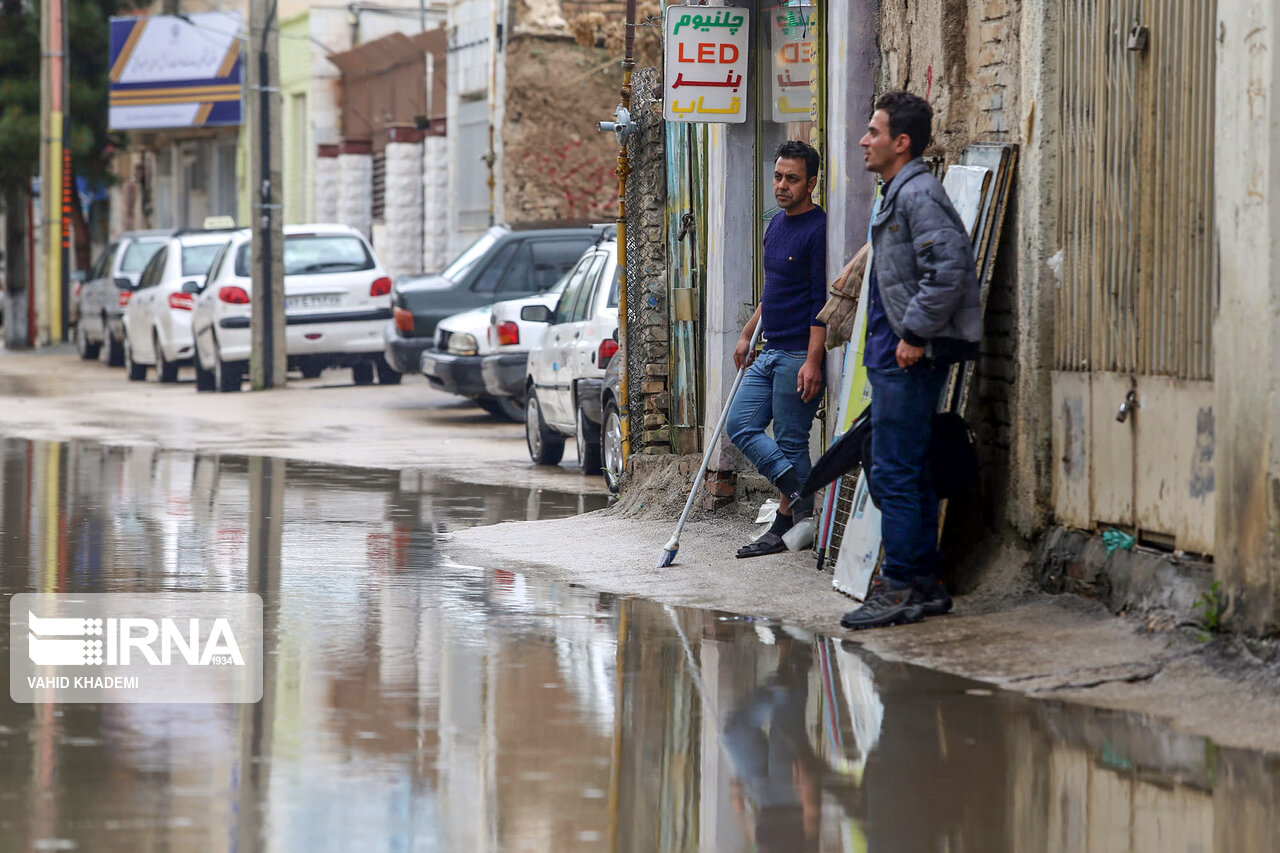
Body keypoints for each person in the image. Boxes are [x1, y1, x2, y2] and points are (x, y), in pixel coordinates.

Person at [840, 92, 981, 630]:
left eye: (873, 131)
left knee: (895, 471)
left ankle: (899, 586)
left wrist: (916, 332)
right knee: (908, 469)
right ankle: (923, 585)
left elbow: (949, 267)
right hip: (893, 354)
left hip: (907, 356)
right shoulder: (900, 191)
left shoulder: (918, 193)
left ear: (901, 143)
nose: (863, 139)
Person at [726, 140, 827, 558]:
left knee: (790, 441)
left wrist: (813, 361)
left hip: (798, 354)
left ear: (812, 183)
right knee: (740, 425)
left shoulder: (818, 230)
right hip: (768, 349)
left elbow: (822, 302)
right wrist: (748, 332)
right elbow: (774, 291)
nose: (782, 185)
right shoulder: (777, 223)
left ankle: (784, 525)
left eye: (792, 178)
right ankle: (800, 494)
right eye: (778, 176)